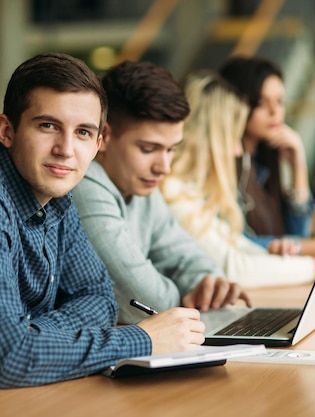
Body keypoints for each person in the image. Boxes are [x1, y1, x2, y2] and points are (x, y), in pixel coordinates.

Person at [0, 52, 208, 416]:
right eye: (48, 126)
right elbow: (9, 360)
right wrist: (140, 339)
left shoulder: (56, 196)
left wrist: (30, 334)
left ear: (97, 143)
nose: (65, 149)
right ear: (6, 131)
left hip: (8, 400)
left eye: (82, 132)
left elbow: (100, 299)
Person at [72, 60, 251, 326]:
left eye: (171, 149)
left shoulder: (140, 185)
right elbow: (145, 304)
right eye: (148, 149)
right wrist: (194, 296)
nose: (163, 167)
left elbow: (188, 255)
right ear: (105, 136)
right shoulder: (84, 187)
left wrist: (204, 283)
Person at [160, 70, 315, 287]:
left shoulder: (193, 188)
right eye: (234, 137)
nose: (238, 151)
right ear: (212, 137)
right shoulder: (173, 189)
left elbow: (238, 246)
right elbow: (234, 268)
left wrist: (308, 259)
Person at [218, 55, 315, 252]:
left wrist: (298, 166)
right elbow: (238, 245)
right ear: (238, 105)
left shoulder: (262, 164)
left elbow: (299, 235)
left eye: (280, 101)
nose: (275, 111)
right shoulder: (224, 167)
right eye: (263, 103)